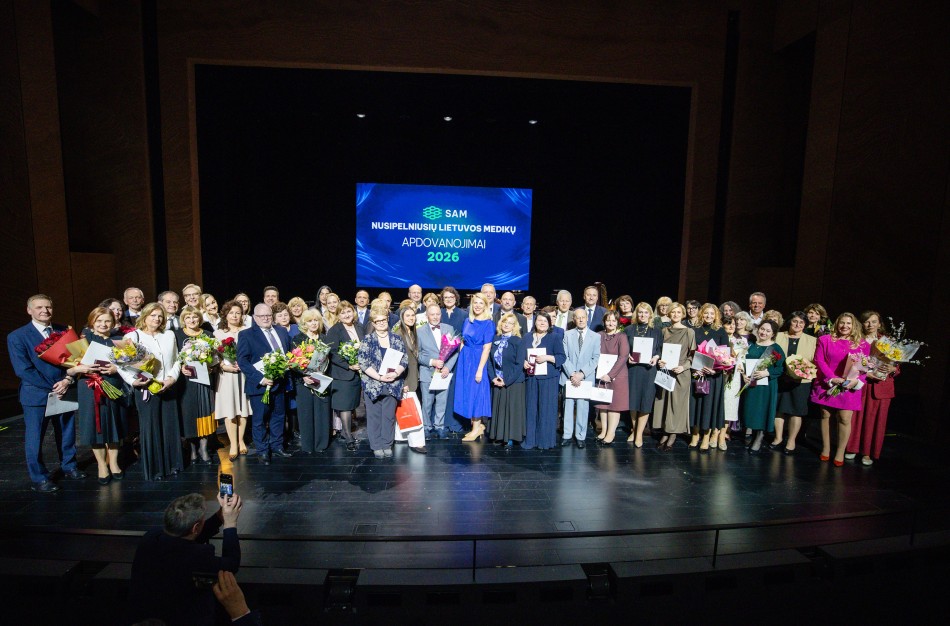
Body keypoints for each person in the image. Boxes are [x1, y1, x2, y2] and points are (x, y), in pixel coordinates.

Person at [7, 294, 86, 492]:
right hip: (37, 394)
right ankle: (39, 477)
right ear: (29, 310)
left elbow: (77, 360)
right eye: (39, 307)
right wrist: (54, 385)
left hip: (64, 388)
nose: (45, 311)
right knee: (35, 438)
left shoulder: (63, 330)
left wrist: (67, 380)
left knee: (67, 432)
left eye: (48, 307)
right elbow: (23, 370)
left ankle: (69, 466)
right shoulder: (17, 336)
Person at [127, 492, 242, 626]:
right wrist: (230, 523)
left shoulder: (151, 537)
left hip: (142, 615)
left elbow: (184, 537)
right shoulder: (197, 557)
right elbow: (232, 564)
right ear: (196, 527)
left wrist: (219, 517)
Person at [66, 307, 127, 484]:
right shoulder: (82, 341)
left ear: (113, 322)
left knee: (114, 425)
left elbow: (130, 366)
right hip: (89, 387)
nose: (103, 324)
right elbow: (69, 369)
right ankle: (101, 464)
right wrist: (79, 368)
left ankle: (114, 463)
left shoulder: (119, 341)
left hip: (113, 385)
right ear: (92, 321)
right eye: (99, 320)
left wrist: (117, 368)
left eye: (107, 321)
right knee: (96, 427)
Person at [122, 302, 183, 480]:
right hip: (146, 389)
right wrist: (134, 382)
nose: (156, 319)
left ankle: (173, 464)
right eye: (153, 315)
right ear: (144, 317)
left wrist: (172, 378)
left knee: (170, 427)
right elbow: (121, 365)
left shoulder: (169, 335)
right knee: (151, 429)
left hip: (168, 387)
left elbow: (178, 360)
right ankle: (155, 469)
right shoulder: (134, 336)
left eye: (160, 316)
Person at [810, 312, 871, 466]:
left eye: (849, 323)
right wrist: (832, 378)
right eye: (842, 323)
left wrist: (855, 381)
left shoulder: (863, 344)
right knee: (825, 415)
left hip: (849, 387)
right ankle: (826, 449)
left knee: (844, 418)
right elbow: (820, 360)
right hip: (827, 382)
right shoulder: (825, 340)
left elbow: (864, 368)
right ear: (837, 324)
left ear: (854, 325)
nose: (845, 326)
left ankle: (840, 452)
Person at [237, 303, 292, 465]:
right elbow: (243, 361)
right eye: (262, 316)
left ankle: (277, 446)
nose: (266, 318)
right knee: (260, 419)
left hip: (280, 383)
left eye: (268, 315)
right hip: (260, 385)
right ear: (255, 318)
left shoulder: (281, 331)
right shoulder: (246, 335)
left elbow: (287, 353)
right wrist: (261, 378)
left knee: (279, 416)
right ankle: (262, 451)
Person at [846, 311, 898, 466]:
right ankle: (852, 448)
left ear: (880, 324)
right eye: (867, 322)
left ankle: (868, 453)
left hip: (881, 387)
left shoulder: (888, 341)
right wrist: (865, 373)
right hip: (861, 384)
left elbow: (897, 366)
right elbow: (851, 361)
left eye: (874, 322)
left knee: (875, 421)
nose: (870, 325)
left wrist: (892, 369)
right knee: (856, 418)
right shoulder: (856, 340)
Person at [358, 306, 408, 458]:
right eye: (377, 321)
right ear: (373, 322)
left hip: (393, 383)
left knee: (389, 416)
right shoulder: (368, 340)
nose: (381, 323)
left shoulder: (396, 338)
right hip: (373, 384)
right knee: (374, 416)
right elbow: (363, 363)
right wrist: (379, 377)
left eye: (383, 320)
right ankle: (376, 445)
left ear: (387, 320)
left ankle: (387, 444)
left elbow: (404, 359)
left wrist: (396, 373)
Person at [174, 305, 217, 466]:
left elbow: (215, 357)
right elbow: (173, 358)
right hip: (186, 383)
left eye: (195, 317)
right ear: (183, 320)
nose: (192, 320)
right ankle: (192, 449)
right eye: (188, 317)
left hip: (204, 381)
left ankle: (204, 449)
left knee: (205, 413)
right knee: (189, 415)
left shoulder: (208, 335)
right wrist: (181, 367)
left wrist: (212, 365)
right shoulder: (177, 335)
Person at [772, 311, 817, 455]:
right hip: (781, 378)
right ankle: (778, 438)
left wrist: (803, 370)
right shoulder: (779, 336)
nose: (797, 325)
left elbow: (814, 360)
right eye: (795, 321)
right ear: (789, 322)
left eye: (801, 322)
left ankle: (791, 441)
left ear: (805, 325)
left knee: (796, 411)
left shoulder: (812, 340)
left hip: (801, 381)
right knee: (778, 409)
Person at [653, 303, 695, 451]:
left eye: (678, 312)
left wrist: (683, 367)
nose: (676, 315)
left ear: (683, 314)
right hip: (666, 371)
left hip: (681, 373)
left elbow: (693, 355)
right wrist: (660, 360)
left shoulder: (689, 332)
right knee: (664, 402)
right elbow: (659, 350)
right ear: (669, 314)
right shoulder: (664, 330)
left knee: (677, 405)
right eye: (673, 312)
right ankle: (665, 432)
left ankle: (673, 435)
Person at [214, 300, 252, 461]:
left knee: (243, 407)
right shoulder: (218, 333)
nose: (235, 315)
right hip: (227, 376)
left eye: (238, 312)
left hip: (244, 375)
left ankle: (241, 439)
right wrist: (223, 365)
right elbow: (215, 356)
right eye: (231, 313)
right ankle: (233, 443)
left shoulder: (248, 331)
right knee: (230, 410)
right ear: (225, 315)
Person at [291, 308, 332, 454]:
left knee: (322, 411)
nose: (313, 323)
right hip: (304, 381)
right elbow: (293, 361)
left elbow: (329, 361)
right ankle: (308, 445)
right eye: (310, 321)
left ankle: (321, 444)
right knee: (306, 412)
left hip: (321, 380)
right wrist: (303, 376)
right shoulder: (297, 339)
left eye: (316, 320)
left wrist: (321, 374)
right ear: (304, 323)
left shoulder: (324, 338)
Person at [741, 319, 786, 453]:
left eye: (768, 331)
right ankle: (750, 433)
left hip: (766, 386)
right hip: (751, 383)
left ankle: (759, 437)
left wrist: (767, 372)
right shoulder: (751, 345)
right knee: (751, 409)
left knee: (762, 410)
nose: (763, 332)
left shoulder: (776, 348)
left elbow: (781, 368)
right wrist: (744, 374)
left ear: (773, 334)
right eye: (762, 329)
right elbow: (742, 362)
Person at [688, 303, 729, 451]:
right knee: (695, 404)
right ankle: (695, 434)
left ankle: (706, 436)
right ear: (701, 314)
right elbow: (689, 352)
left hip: (713, 376)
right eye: (706, 313)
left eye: (712, 314)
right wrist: (694, 369)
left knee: (708, 407)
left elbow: (726, 358)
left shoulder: (721, 332)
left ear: (716, 316)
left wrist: (716, 370)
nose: (709, 316)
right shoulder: (694, 330)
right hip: (697, 373)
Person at [522, 312, 565, 450]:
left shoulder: (555, 337)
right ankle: (530, 440)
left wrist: (547, 357)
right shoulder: (527, 337)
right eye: (539, 320)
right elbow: (522, 355)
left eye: (545, 321)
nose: (542, 323)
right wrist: (524, 362)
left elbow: (561, 357)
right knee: (531, 408)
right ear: (535, 322)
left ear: (549, 323)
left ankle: (544, 442)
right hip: (531, 377)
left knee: (546, 409)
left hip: (549, 379)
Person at [325, 300, 365, 449]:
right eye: (343, 312)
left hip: (356, 374)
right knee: (345, 406)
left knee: (352, 404)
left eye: (348, 311)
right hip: (342, 374)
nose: (347, 314)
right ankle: (348, 436)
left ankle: (345, 432)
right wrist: (349, 365)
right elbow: (332, 353)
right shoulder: (335, 330)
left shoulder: (359, 327)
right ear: (338, 315)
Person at [455, 293, 494, 441]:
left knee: (477, 392)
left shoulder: (488, 323)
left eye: (480, 303)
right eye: (475, 303)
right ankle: (476, 427)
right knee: (468, 391)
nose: (477, 306)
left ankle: (477, 428)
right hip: (466, 359)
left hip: (478, 360)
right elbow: (463, 341)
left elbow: (487, 348)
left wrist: (479, 369)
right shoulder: (467, 321)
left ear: (485, 305)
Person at [561, 307, 601, 448]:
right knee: (568, 406)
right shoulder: (567, 335)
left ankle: (580, 436)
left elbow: (595, 358)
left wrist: (581, 374)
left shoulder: (596, 337)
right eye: (578, 317)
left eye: (583, 317)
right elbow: (563, 356)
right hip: (569, 377)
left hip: (586, 377)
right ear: (574, 319)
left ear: (587, 318)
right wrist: (573, 373)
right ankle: (566, 435)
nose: (581, 319)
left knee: (583, 408)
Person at [487, 312, 528, 448]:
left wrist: (506, 381)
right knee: (498, 408)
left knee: (511, 409)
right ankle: (498, 435)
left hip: (513, 382)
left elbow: (519, 364)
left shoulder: (519, 341)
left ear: (514, 326)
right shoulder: (494, 339)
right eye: (505, 321)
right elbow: (488, 360)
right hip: (496, 380)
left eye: (510, 323)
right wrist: (493, 377)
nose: (506, 324)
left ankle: (510, 436)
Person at [418, 304, 458, 439]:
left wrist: (448, 367)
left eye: (437, 314)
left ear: (441, 315)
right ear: (427, 316)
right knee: (427, 403)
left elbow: (455, 352)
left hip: (443, 374)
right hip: (427, 372)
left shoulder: (449, 328)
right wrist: (432, 362)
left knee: (442, 402)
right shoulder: (419, 331)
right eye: (432, 314)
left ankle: (439, 427)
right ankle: (426, 428)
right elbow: (417, 354)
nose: (435, 317)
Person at [625, 302, 662, 447]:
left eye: (646, 312)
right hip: (633, 369)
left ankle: (639, 434)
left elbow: (660, 349)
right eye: (640, 312)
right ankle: (634, 430)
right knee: (633, 402)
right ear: (636, 314)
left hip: (649, 370)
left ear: (650, 314)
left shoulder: (657, 331)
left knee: (646, 402)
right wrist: (627, 355)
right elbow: (624, 348)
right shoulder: (629, 329)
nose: (643, 315)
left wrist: (656, 357)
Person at [393, 303, 427, 454]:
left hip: (413, 376)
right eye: (408, 316)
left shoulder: (414, 333)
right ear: (401, 317)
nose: (411, 318)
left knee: (404, 407)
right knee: (414, 410)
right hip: (405, 378)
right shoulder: (399, 335)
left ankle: (400, 436)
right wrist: (402, 382)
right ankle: (417, 442)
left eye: (413, 315)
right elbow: (396, 361)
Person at [594, 310, 630, 445]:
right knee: (602, 404)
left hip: (617, 376)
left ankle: (611, 433)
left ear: (617, 322)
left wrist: (610, 375)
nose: (611, 323)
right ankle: (603, 430)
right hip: (601, 375)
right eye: (608, 320)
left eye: (613, 320)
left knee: (614, 405)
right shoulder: (598, 335)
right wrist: (601, 373)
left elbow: (623, 357)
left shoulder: (622, 336)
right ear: (604, 321)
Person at [719, 316, 744, 450]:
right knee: (718, 405)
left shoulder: (740, 341)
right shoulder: (719, 339)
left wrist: (741, 366)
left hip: (734, 377)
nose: (732, 326)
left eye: (733, 324)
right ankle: (714, 433)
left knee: (729, 405)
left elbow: (743, 359)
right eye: (728, 324)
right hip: (720, 376)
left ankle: (723, 435)